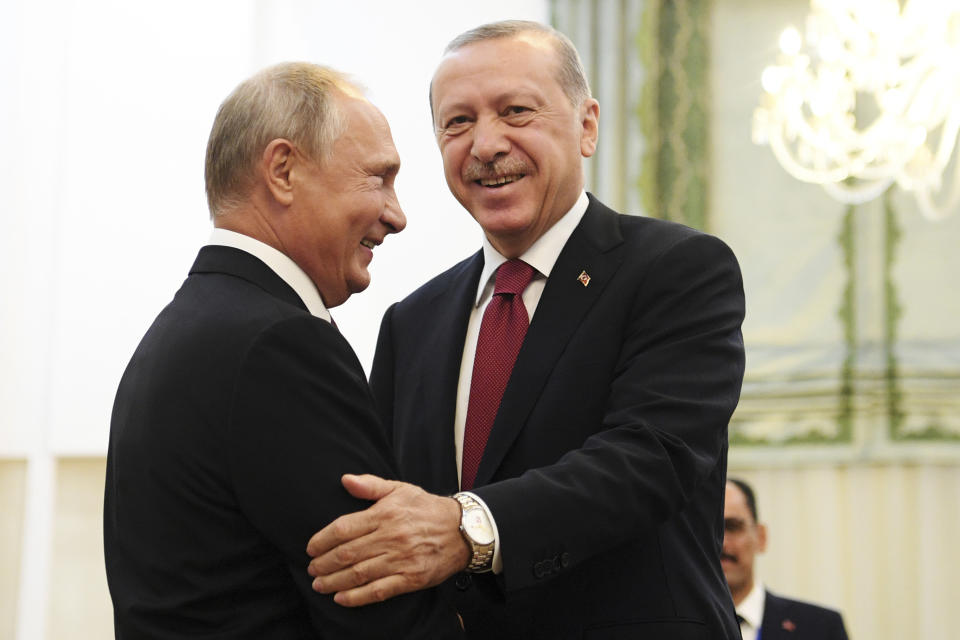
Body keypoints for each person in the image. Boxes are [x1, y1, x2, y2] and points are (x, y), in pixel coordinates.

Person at [306, 20, 746, 639]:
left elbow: (653, 459)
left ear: (587, 125)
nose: (485, 144)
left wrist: (470, 528)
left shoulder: (676, 270)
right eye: (458, 123)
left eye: (516, 111)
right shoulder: (413, 322)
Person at [102, 62, 462, 639]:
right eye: (378, 178)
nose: (396, 215)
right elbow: (378, 606)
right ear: (284, 171)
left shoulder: (184, 329)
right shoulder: (281, 346)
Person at [724, 478, 850, 640]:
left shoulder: (820, 629)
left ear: (761, 537)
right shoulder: (682, 630)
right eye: (707, 530)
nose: (721, 543)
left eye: (733, 527)